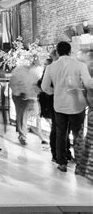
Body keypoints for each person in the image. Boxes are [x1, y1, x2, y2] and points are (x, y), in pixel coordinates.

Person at [41, 41, 93, 172]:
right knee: (77, 134)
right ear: (70, 51)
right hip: (77, 105)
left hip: (59, 105)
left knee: (61, 133)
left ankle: (62, 163)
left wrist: (55, 92)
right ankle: (79, 165)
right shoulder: (80, 65)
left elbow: (44, 87)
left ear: (57, 52)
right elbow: (88, 83)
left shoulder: (51, 67)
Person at [10, 61, 43, 146]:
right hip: (21, 97)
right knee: (22, 117)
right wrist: (19, 92)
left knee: (38, 116)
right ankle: (22, 136)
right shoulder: (19, 70)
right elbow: (12, 84)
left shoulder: (38, 70)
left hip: (33, 97)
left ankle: (41, 136)